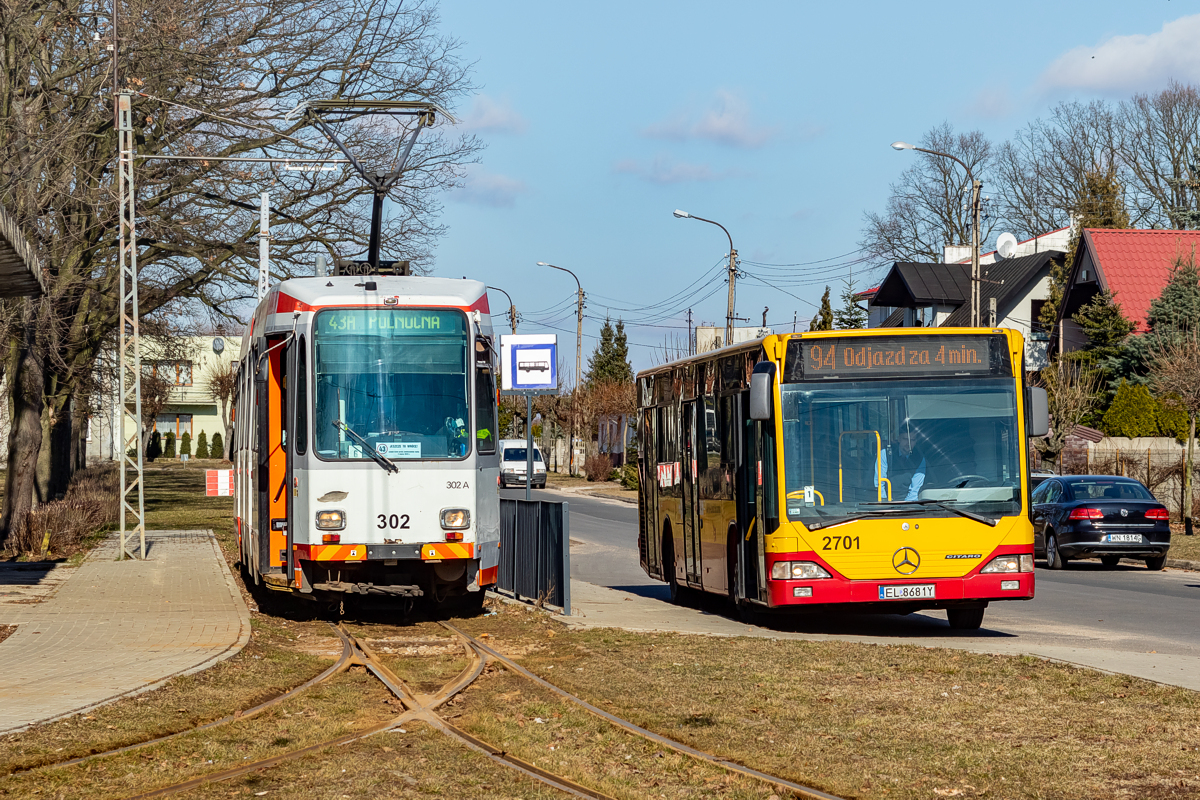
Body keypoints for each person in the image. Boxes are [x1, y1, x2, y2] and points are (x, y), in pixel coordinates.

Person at [878, 428, 927, 502]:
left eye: (912, 440)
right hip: (885, 500)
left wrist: (908, 505)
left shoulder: (919, 458)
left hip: (907, 502)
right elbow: (879, 481)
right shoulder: (885, 453)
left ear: (916, 442)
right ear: (899, 439)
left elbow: (915, 488)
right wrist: (884, 501)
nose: (908, 443)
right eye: (905, 439)